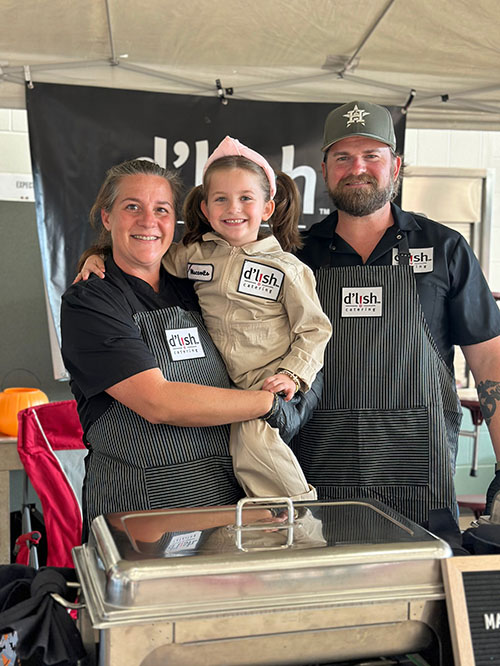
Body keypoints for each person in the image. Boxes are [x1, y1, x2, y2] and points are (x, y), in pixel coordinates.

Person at [60, 159, 320, 538]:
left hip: (227, 504)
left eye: (161, 209)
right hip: (142, 513)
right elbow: (158, 401)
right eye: (132, 206)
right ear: (106, 217)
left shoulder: (194, 284)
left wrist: (294, 388)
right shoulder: (92, 302)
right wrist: (267, 405)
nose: (149, 221)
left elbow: (297, 340)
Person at [293, 100, 500, 525]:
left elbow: (490, 361)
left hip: (420, 472)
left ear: (395, 165)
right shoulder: (296, 254)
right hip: (316, 469)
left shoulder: (444, 249)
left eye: (372, 156)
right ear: (325, 168)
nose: (357, 168)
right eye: (343, 157)